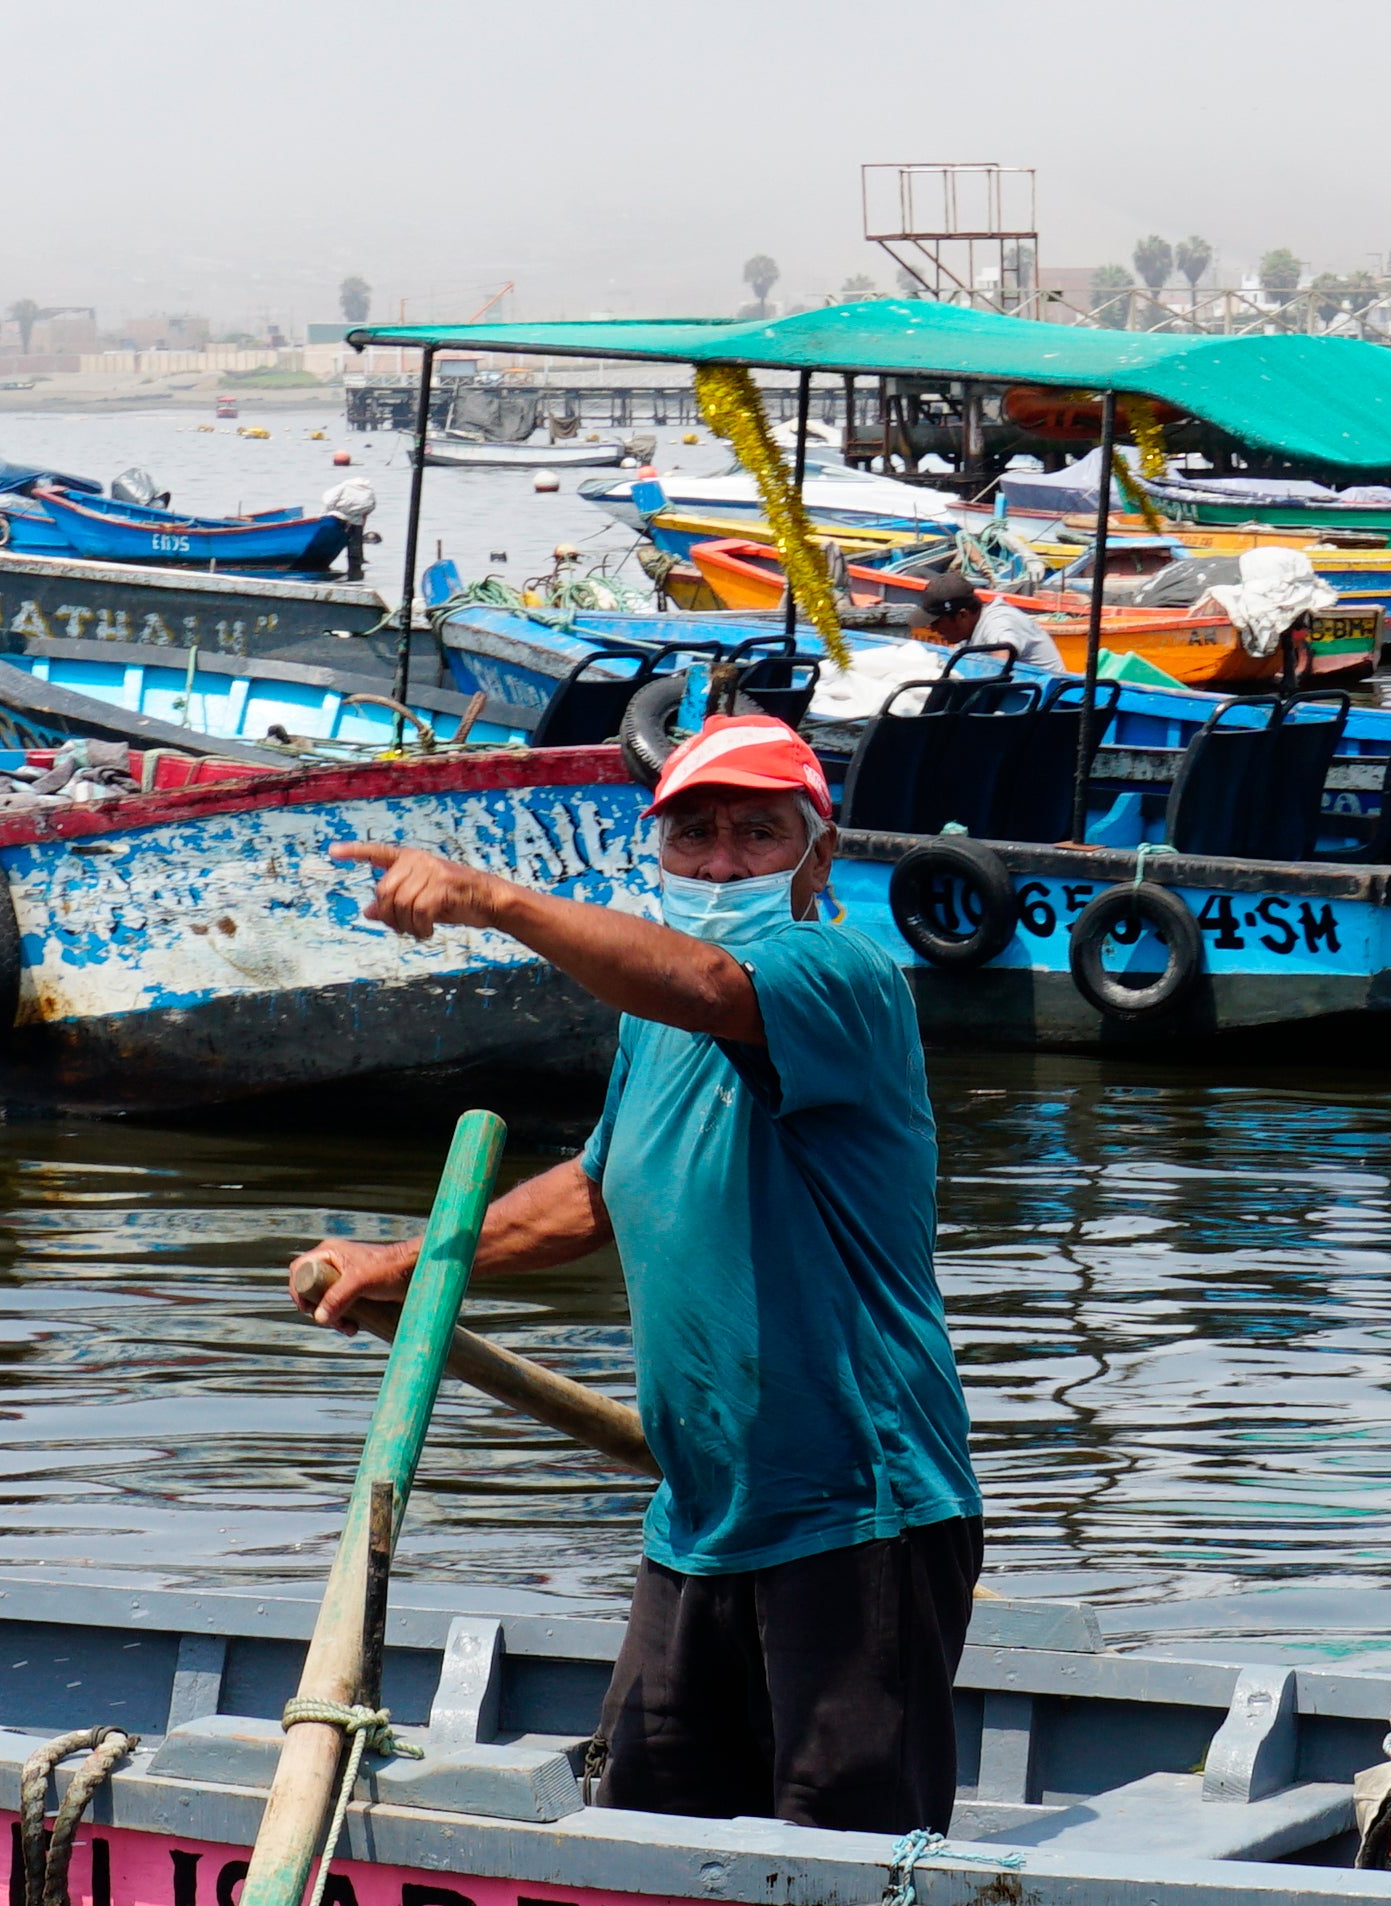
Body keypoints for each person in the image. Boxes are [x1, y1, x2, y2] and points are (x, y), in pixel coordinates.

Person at [302, 721, 982, 1831]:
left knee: (845, 1879)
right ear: (656, 851)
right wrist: (407, 1265)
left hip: (862, 1508)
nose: (720, 865)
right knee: (647, 1832)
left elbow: (713, 984)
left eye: (757, 836)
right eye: (694, 836)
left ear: (818, 856)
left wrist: (495, 902)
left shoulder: (838, 976)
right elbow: (596, 1192)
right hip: (702, 1512)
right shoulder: (649, 1021)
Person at [915, 569, 1062, 667]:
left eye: (936, 621)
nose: (931, 627)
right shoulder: (968, 633)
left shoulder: (1000, 621)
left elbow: (1001, 659)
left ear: (962, 615)